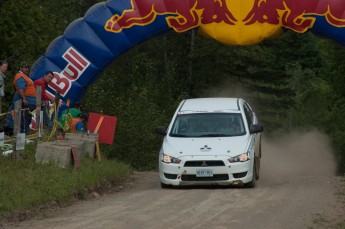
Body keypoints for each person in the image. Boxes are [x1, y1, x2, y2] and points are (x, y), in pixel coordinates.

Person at [10, 61, 36, 134]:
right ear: (21, 68)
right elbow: (20, 88)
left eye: (28, 68)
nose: (27, 69)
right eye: (25, 68)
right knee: (22, 119)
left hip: (27, 102)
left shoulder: (25, 76)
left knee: (26, 119)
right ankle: (22, 134)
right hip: (23, 101)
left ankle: (24, 134)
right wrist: (24, 99)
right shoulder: (20, 76)